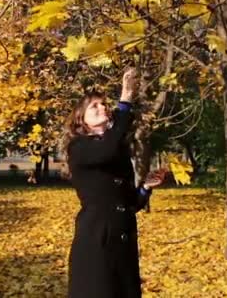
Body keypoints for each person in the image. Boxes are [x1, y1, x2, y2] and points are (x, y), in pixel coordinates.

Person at [63, 68, 165, 298]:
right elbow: (107, 148)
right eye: (94, 106)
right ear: (81, 119)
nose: (102, 108)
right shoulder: (79, 147)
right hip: (96, 242)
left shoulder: (116, 151)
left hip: (124, 243)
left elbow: (129, 203)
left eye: (103, 104)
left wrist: (145, 187)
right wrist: (125, 100)